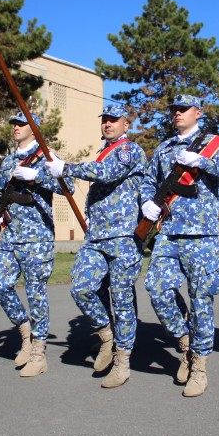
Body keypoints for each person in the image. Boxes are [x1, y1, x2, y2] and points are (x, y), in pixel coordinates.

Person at [141, 94, 219, 397]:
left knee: (201, 300)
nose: (177, 114)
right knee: (156, 288)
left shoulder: (215, 144)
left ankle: (199, 367)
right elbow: (150, 181)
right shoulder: (164, 149)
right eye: (174, 110)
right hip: (169, 232)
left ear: (197, 113)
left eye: (183, 109)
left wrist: (203, 162)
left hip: (201, 234)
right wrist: (147, 201)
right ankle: (185, 343)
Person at [44, 104, 147, 388]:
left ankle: (123, 361)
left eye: (114, 120)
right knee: (81, 287)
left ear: (126, 125)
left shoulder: (129, 151)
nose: (108, 124)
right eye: (105, 120)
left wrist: (66, 167)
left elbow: (107, 173)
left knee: (123, 300)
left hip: (123, 237)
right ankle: (106, 336)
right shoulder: (103, 151)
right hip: (96, 237)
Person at [0, 112, 74, 378]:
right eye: (13, 123)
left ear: (33, 128)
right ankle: (25, 331)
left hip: (37, 237)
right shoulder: (9, 160)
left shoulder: (47, 157)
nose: (15, 127)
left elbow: (66, 186)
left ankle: (38, 351)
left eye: (21, 123)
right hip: (11, 235)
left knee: (36, 293)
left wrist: (38, 177)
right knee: (0, 286)